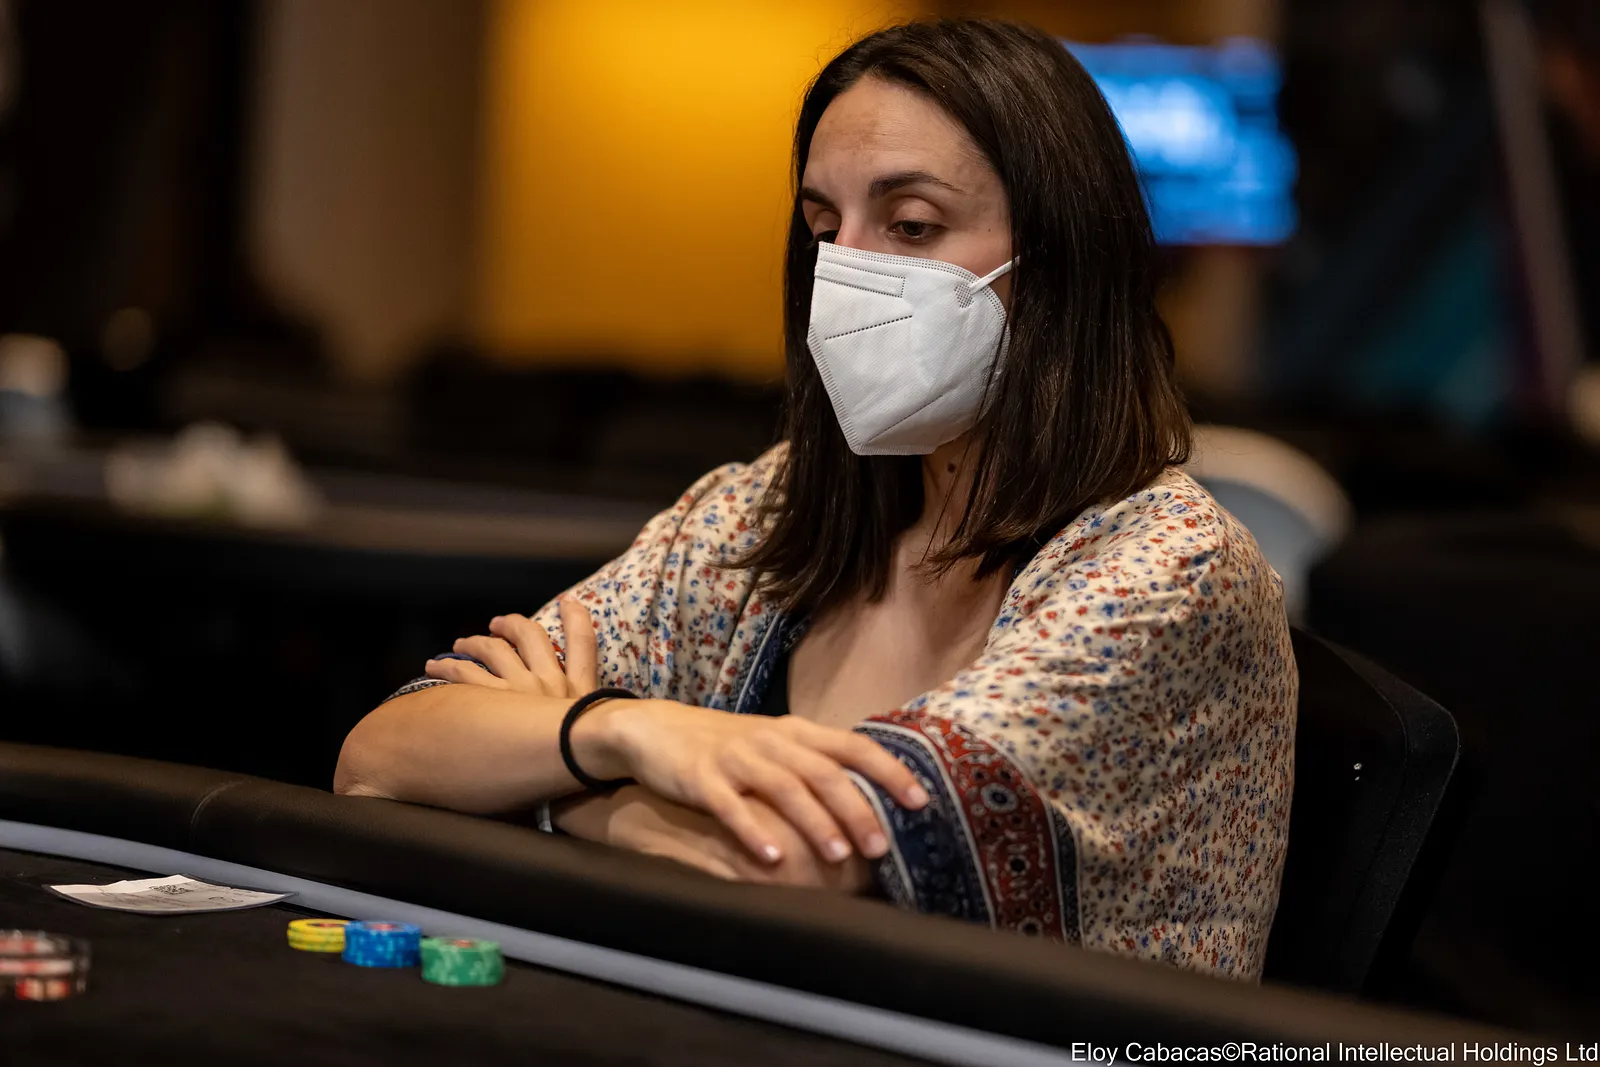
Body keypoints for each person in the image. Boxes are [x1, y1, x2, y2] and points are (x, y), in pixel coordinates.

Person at [335, 18, 1297, 980]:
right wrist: (627, 728)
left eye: (911, 225)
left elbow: (800, 871)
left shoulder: (1170, 570)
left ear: (1062, 259)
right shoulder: (766, 507)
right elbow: (384, 755)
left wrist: (544, 772)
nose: (847, 273)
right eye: (826, 229)